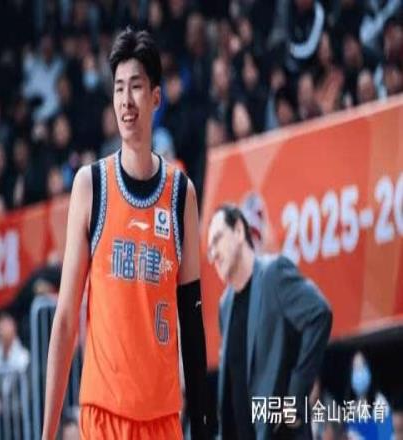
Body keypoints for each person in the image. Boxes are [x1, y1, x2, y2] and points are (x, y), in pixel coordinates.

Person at [43, 28, 209, 440]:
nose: (126, 100)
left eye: (136, 86)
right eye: (119, 88)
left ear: (156, 97)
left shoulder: (181, 193)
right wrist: (47, 433)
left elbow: (191, 318)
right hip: (104, 415)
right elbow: (65, 319)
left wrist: (205, 425)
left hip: (163, 418)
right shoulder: (91, 186)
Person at [207, 203, 332, 440]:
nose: (213, 254)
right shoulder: (225, 305)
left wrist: (296, 396)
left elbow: (319, 313)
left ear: (239, 231)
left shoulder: (273, 274)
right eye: (209, 248)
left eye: (217, 239)